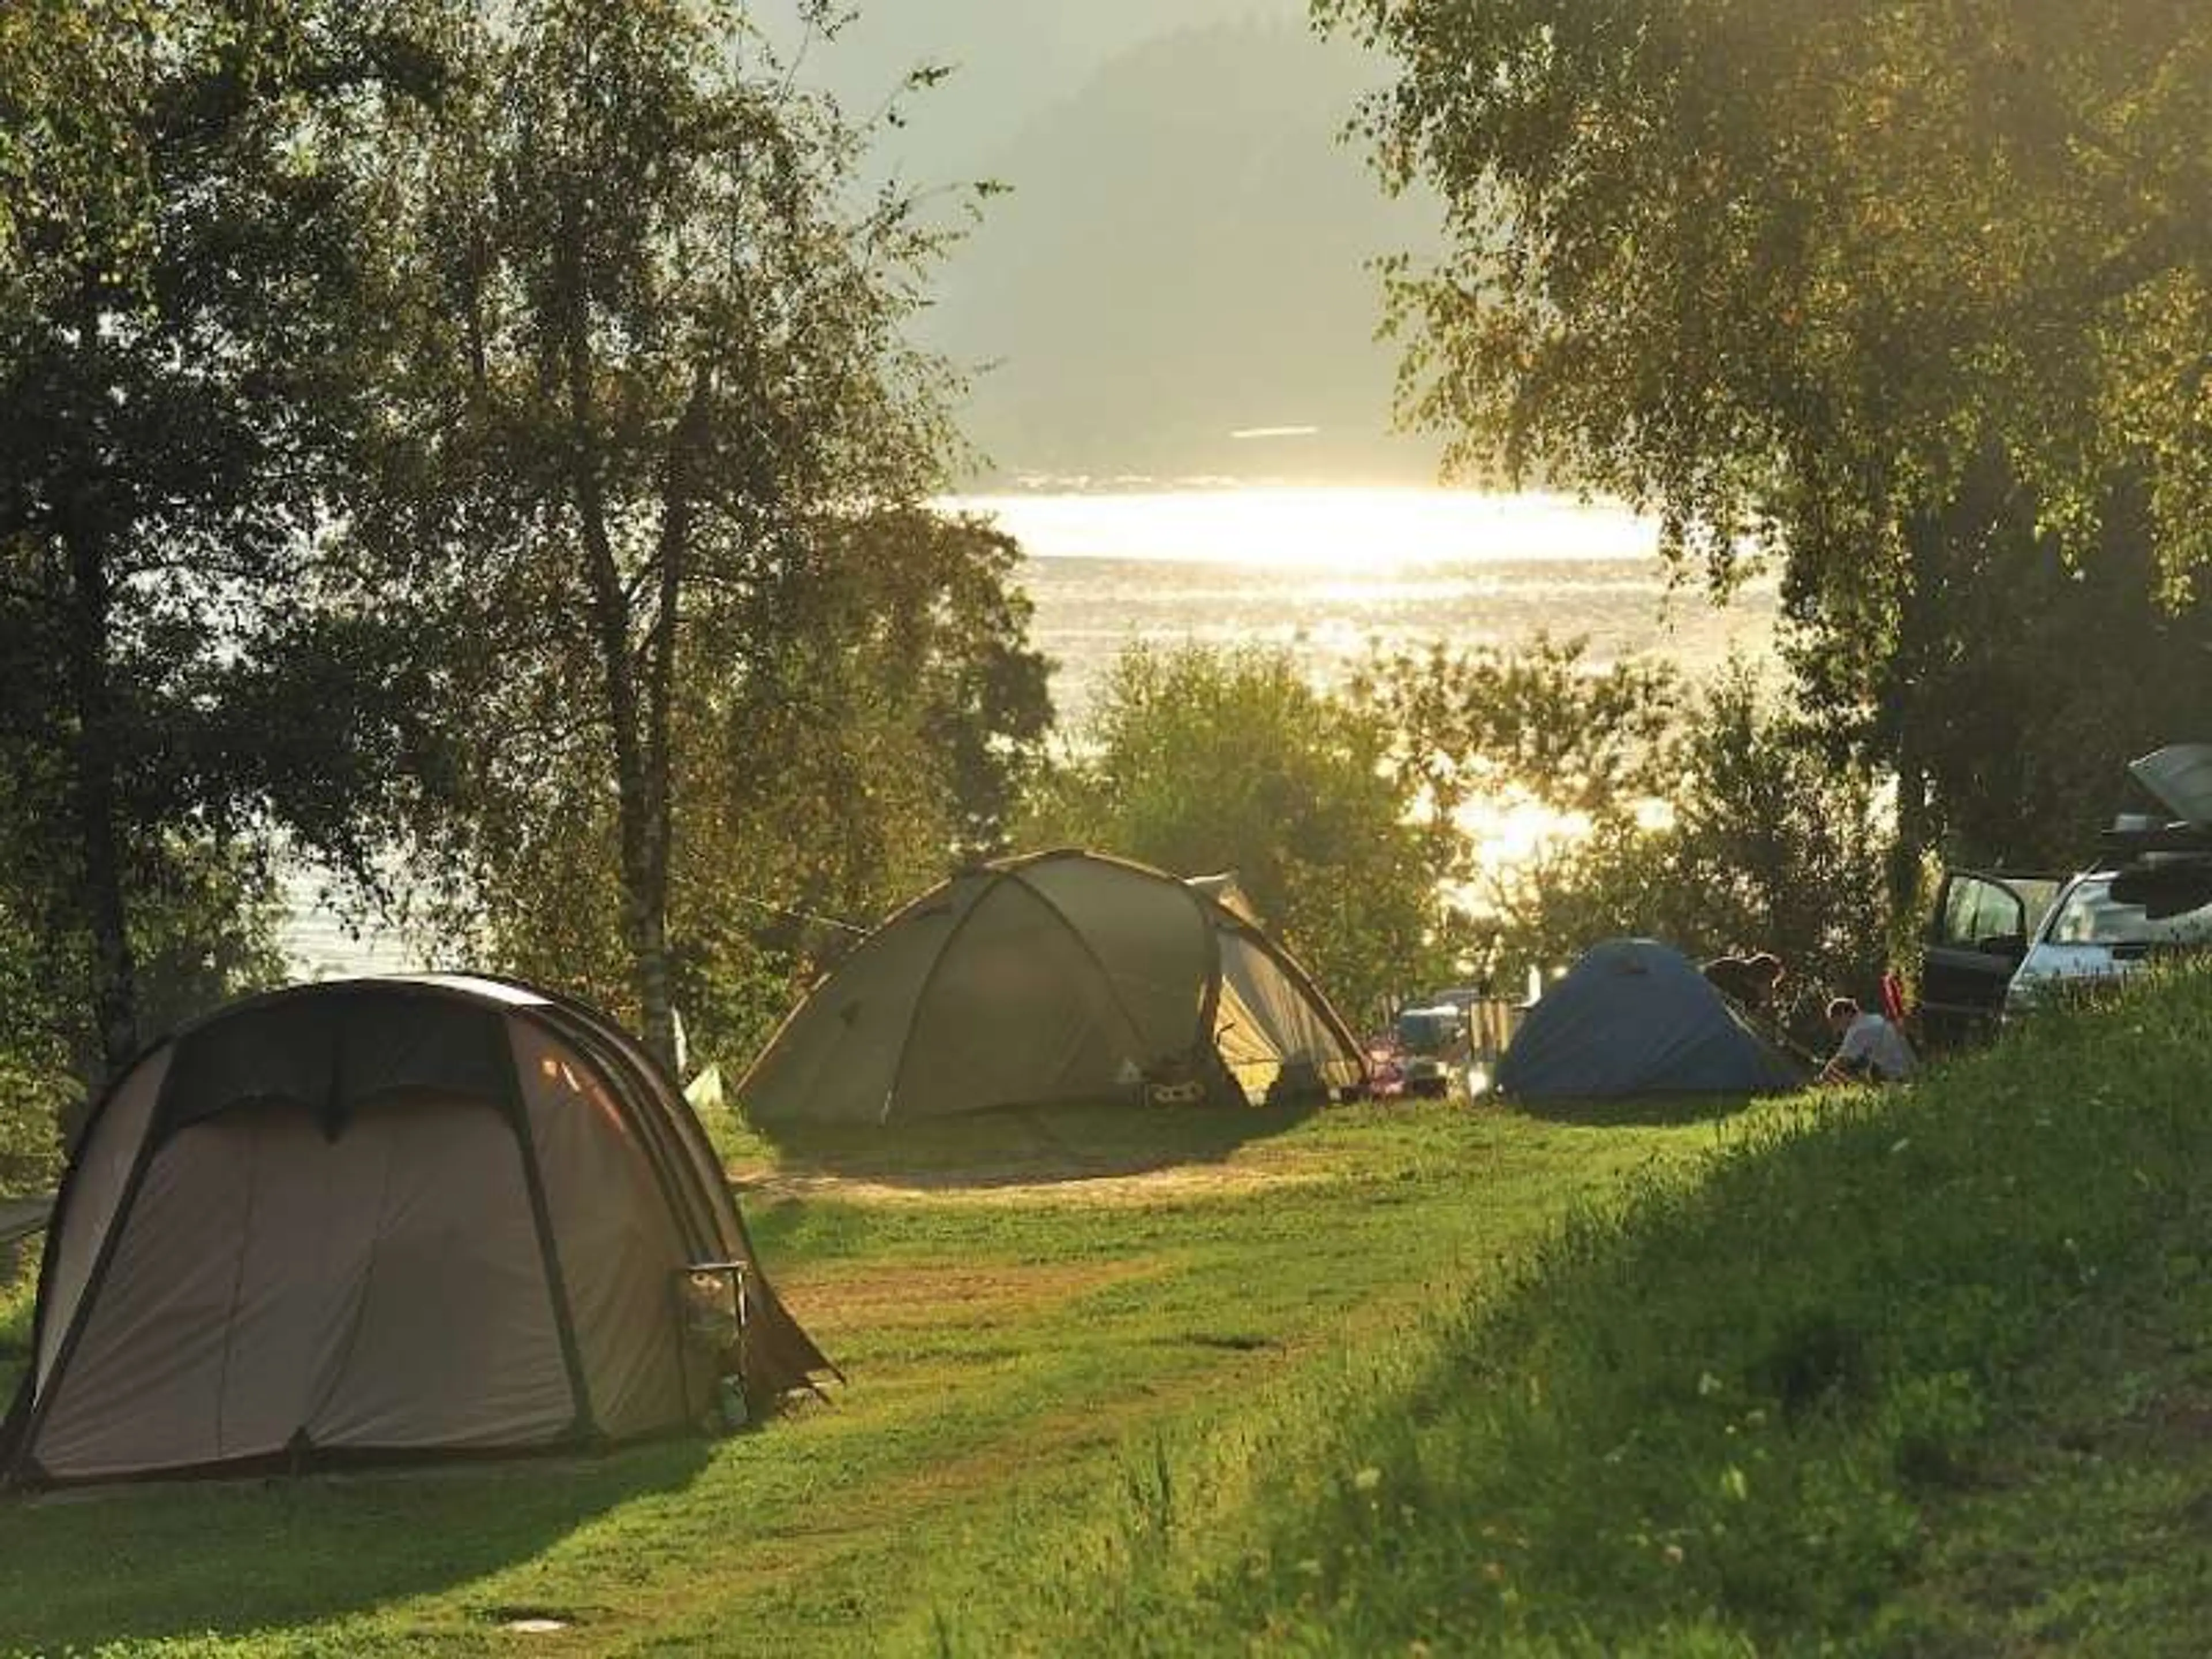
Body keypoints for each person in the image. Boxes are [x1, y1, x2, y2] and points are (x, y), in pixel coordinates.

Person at [1820, 995, 1919, 1085]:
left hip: (1897, 1076)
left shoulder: (1856, 1031)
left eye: (1837, 1023)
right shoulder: (1876, 1018)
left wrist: (1822, 1076)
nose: (1838, 1030)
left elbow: (1841, 1061)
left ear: (1845, 1013)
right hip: (1914, 1070)